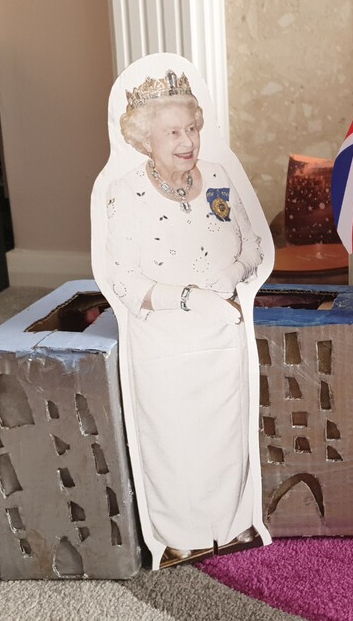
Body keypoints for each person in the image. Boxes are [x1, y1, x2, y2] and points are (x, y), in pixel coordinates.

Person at [98, 70, 266, 567]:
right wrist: (191, 299)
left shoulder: (217, 176)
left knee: (224, 436)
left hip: (224, 331)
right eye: (173, 132)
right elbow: (123, 280)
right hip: (164, 342)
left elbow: (253, 244)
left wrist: (226, 282)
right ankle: (180, 536)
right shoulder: (123, 192)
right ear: (144, 139)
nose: (187, 141)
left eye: (191, 128)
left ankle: (231, 526)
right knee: (175, 441)